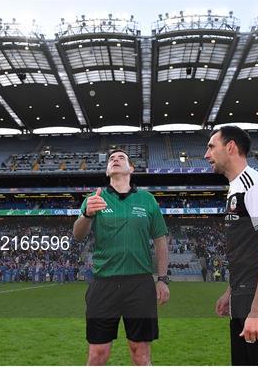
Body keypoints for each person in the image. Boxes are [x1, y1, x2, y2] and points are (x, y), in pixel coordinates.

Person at [73, 149, 170, 366]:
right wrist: (87, 214)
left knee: (140, 353)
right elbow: (78, 235)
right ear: (108, 171)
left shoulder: (147, 200)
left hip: (140, 284)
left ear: (131, 169)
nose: (115, 160)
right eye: (111, 159)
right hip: (103, 283)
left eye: (121, 158)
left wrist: (162, 279)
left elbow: (160, 240)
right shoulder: (94, 198)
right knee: (98, 353)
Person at [204, 126, 258, 366]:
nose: (206, 154)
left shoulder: (255, 187)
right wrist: (231, 292)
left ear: (230, 147)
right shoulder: (236, 188)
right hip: (243, 295)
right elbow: (247, 248)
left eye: (211, 146)